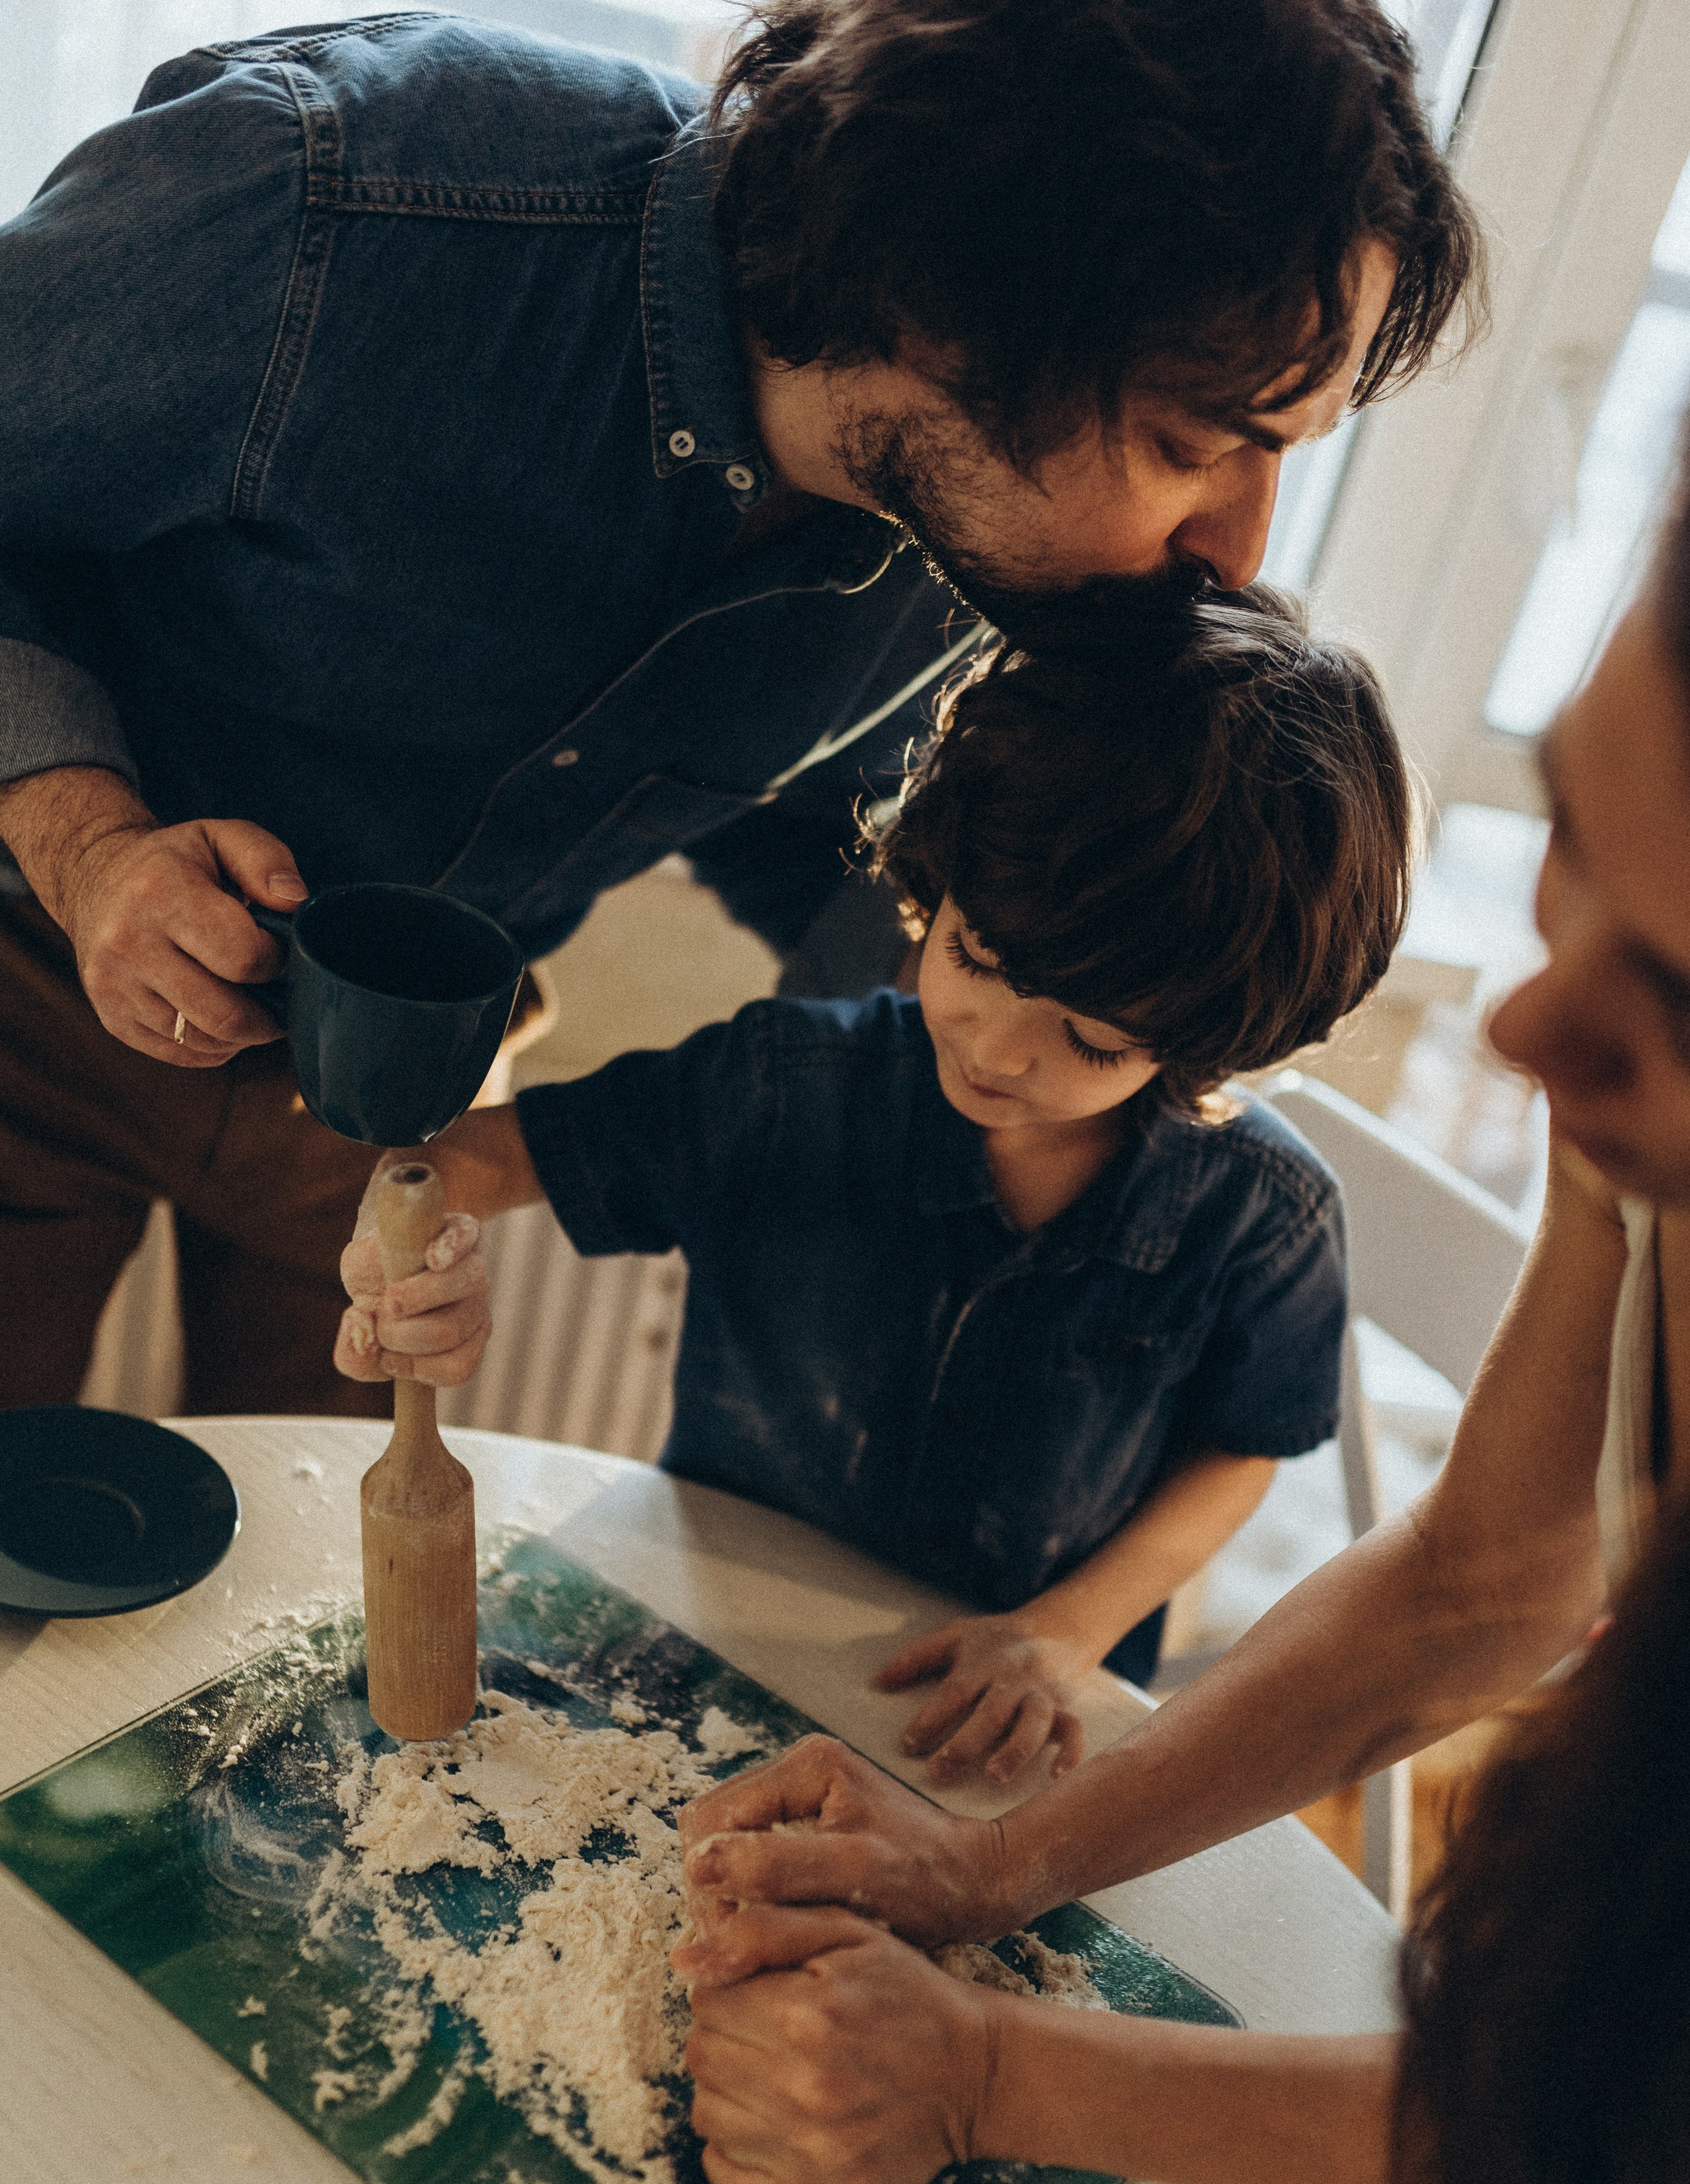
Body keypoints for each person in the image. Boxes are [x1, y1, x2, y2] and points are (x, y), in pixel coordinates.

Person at [661, 444, 1690, 2184]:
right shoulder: (1618, 1117)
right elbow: (1482, 1586)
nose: (1526, 1023)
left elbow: (1631, 2156)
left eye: (1677, 999)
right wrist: (983, 1873)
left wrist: (994, 2073)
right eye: (1572, 840)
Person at [0, 0, 1477, 1416]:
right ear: (957, 292)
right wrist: (85, 843)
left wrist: (1040, 1046)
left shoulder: (989, 543)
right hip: (24, 996)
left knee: (297, 1605)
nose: (1236, 552)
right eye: (1184, 441)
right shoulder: (332, 204)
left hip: (393, 1107)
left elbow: (821, 834)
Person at [335, 586, 1415, 1776]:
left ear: (1208, 1040)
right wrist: (418, 1252)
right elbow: (466, 1163)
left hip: (999, 1717)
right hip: (697, 1637)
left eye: (1093, 1040)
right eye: (978, 959)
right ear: (936, 881)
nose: (999, 1051)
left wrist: (1070, 1633)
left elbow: (1240, 1450)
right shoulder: (788, 1083)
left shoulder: (1265, 1219)